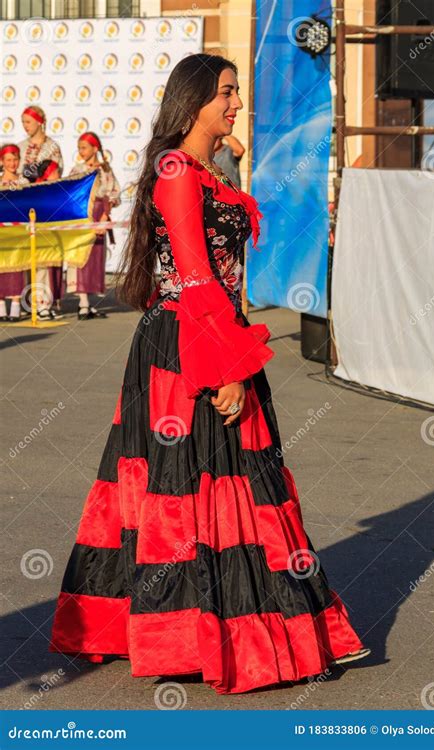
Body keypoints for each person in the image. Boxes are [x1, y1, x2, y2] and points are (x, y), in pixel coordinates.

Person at [49, 54, 370, 695]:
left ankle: (220, 625)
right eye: (225, 94)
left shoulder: (201, 170)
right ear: (192, 99)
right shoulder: (175, 172)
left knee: (230, 477)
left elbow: (217, 273)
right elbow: (195, 278)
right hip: (186, 343)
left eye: (237, 93)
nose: (235, 104)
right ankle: (195, 632)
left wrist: (235, 357)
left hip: (211, 332)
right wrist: (223, 368)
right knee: (190, 483)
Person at [66, 132, 121, 320]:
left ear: (95, 148)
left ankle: (89, 303)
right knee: (81, 257)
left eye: (84, 147)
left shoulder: (105, 170)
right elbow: (70, 193)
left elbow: (114, 192)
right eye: (79, 148)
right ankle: (82, 303)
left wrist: (105, 216)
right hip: (83, 216)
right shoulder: (77, 170)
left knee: (95, 258)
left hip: (100, 213)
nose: (81, 151)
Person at [18, 106, 64, 320]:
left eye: (28, 121)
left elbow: (55, 173)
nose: (25, 126)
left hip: (44, 206)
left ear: (39, 122)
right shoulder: (20, 147)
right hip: (23, 206)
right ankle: (24, 301)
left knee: (44, 255)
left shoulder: (51, 147)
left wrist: (33, 173)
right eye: (23, 122)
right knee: (25, 255)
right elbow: (18, 174)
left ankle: (43, 302)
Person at [0, 144, 30, 322]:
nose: (12, 163)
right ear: (2, 161)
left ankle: (16, 306)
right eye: (8, 160)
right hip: (1, 231)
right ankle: (1, 307)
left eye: (15, 159)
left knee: (17, 268)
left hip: (18, 230)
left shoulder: (23, 182)